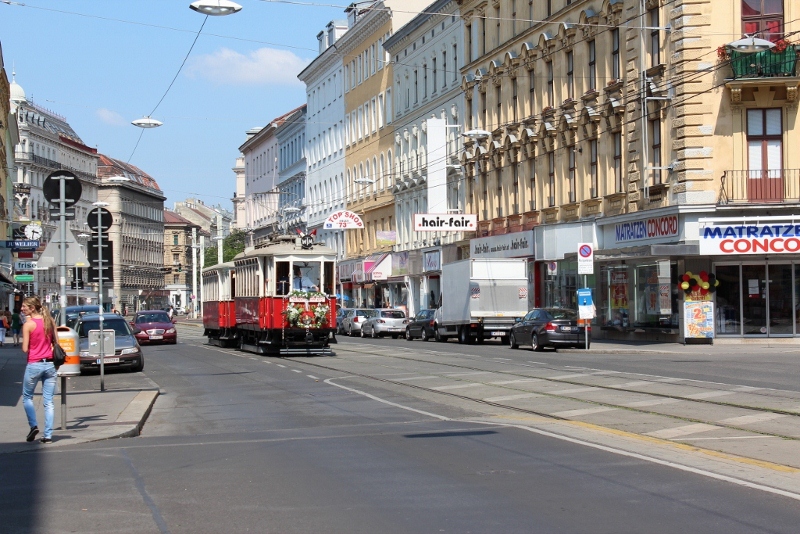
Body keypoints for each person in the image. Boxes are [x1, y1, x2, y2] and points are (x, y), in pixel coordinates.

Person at [21, 296, 57, 444]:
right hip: (50, 365)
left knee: (27, 397)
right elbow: (56, 343)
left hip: (34, 364)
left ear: (32, 308)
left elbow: (24, 349)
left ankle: (33, 425)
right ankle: (48, 435)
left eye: (24, 306)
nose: (22, 309)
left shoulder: (28, 325)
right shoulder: (49, 321)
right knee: (49, 402)